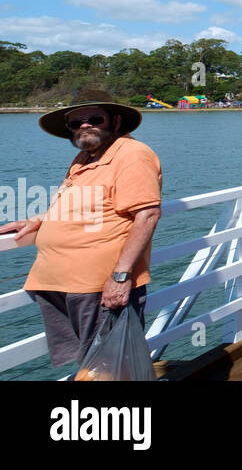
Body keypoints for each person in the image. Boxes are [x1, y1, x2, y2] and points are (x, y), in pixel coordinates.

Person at [0, 89, 162, 370]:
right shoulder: (85, 158)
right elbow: (84, 203)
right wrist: (39, 221)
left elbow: (147, 214)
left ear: (115, 121)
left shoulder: (132, 154)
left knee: (112, 367)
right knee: (93, 366)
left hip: (98, 286)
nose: (85, 126)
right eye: (76, 123)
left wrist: (121, 277)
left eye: (94, 119)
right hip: (64, 283)